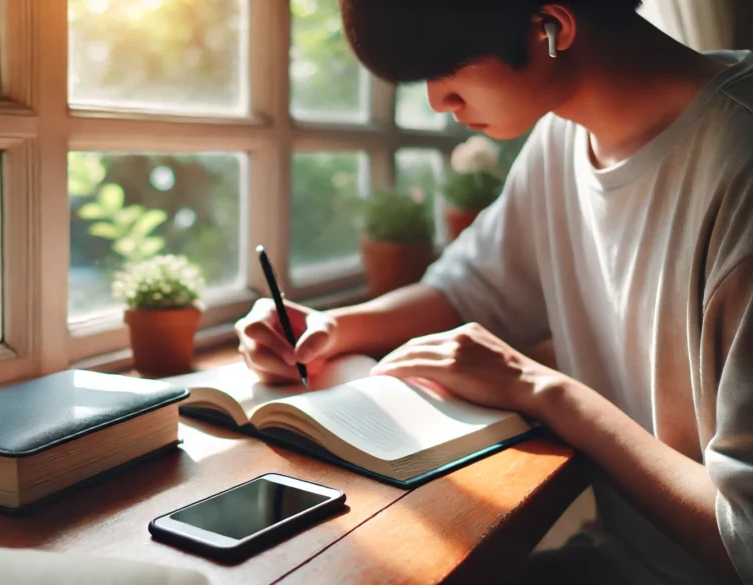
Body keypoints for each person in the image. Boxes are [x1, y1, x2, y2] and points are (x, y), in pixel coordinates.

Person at [235, 1, 753, 584]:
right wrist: (331, 327)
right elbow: (470, 289)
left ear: (552, 27)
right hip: (618, 560)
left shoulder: (739, 163)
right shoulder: (562, 141)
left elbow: (745, 537)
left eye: (445, 68)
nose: (436, 101)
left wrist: (541, 389)